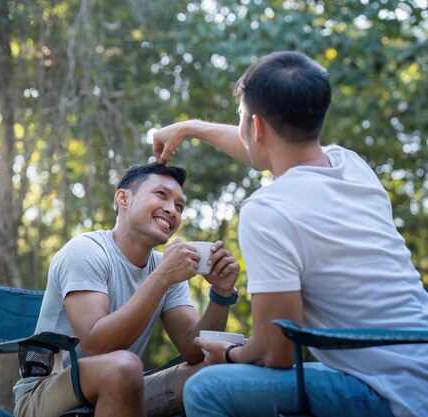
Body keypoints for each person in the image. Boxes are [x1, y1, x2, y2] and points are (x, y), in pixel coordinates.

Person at [153, 51, 428, 417]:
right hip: (417, 368)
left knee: (205, 388)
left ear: (258, 126)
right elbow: (266, 151)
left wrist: (232, 353)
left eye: (242, 121)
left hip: (391, 394)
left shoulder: (268, 211)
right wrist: (190, 128)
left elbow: (276, 354)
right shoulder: (351, 166)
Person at [13, 163, 241, 417]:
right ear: (123, 198)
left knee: (215, 372)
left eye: (179, 206)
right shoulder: (86, 251)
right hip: (45, 394)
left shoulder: (166, 268)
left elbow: (194, 350)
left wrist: (221, 294)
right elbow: (96, 346)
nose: (171, 210)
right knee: (124, 366)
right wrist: (162, 277)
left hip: (123, 382)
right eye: (161, 195)